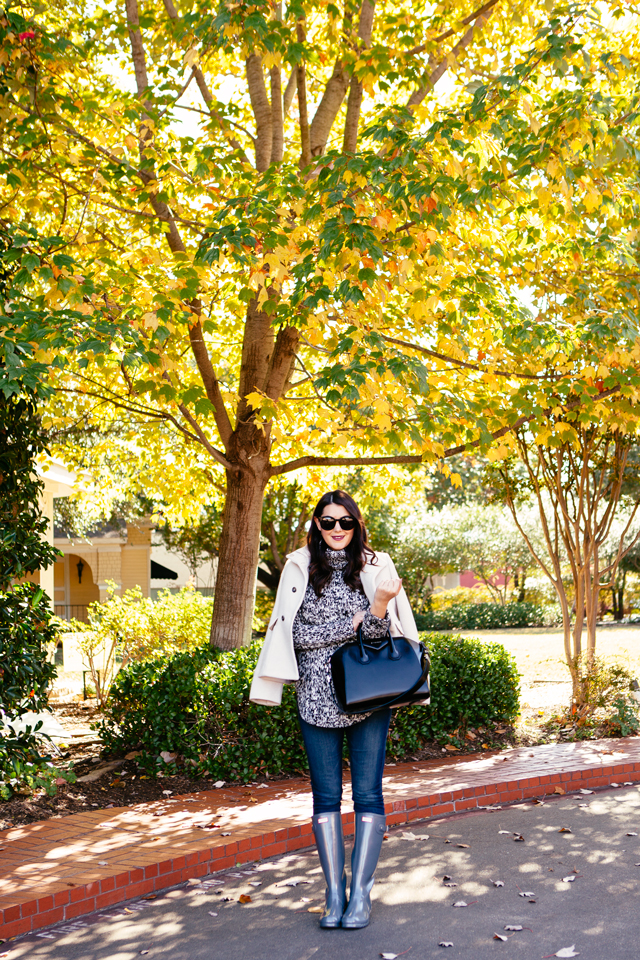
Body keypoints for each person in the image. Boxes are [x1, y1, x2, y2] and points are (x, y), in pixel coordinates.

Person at [250, 490, 420, 930]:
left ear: (357, 524)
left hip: (368, 697)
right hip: (315, 696)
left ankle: (360, 894)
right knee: (324, 797)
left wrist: (377, 608)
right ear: (317, 525)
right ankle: (333, 894)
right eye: (329, 522)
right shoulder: (299, 567)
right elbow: (297, 634)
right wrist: (352, 622)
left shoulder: (377, 565)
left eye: (346, 522)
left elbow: (382, 637)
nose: (338, 530)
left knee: (368, 794)